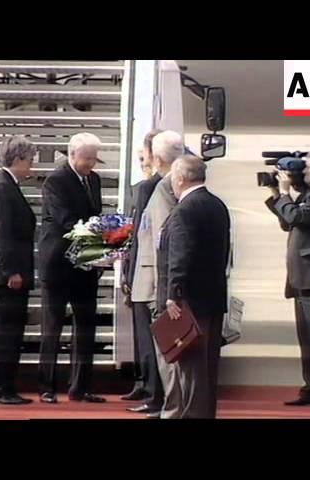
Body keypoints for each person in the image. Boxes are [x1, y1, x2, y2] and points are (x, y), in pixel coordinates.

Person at [157, 155, 230, 419]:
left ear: (179, 179)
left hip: (187, 301)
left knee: (186, 367)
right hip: (211, 297)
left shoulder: (184, 210)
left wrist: (173, 294)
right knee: (207, 367)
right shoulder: (216, 205)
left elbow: (180, 254)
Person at [37, 132, 106, 403]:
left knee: (86, 327)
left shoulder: (94, 180)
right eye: (87, 158)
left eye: (94, 159)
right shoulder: (55, 181)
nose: (91, 164)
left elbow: (95, 215)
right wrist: (101, 238)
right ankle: (47, 387)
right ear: (72, 154)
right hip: (58, 264)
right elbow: (66, 221)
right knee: (52, 328)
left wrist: (100, 252)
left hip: (85, 264)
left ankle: (80, 387)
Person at [129, 130, 184, 417]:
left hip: (153, 277)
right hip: (149, 274)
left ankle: (159, 399)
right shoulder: (164, 185)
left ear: (157, 156)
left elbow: (163, 237)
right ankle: (158, 396)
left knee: (158, 345)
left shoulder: (162, 187)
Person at [265, 149, 310, 408]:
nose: (304, 172)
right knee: (308, 339)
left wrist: (286, 193)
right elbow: (287, 223)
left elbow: (298, 216)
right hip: (304, 278)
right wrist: (277, 194)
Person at [0, 136, 37, 405]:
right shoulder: (2, 188)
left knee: (11, 332)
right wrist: (11, 271)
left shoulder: (6, 186)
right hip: (8, 275)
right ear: (17, 160)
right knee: (3, 333)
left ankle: (5, 387)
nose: (31, 167)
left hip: (13, 272)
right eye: (29, 161)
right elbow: (0, 234)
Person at [120, 129, 164, 403]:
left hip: (145, 269)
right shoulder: (146, 185)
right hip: (138, 265)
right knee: (142, 335)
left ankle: (149, 386)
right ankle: (143, 382)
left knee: (148, 336)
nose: (141, 162)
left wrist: (129, 269)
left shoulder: (150, 187)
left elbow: (142, 234)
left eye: (142, 156)